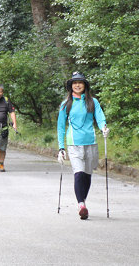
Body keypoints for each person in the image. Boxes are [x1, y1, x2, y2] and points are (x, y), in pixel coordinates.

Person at [57, 72, 109, 220]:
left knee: (87, 175)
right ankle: (81, 205)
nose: (77, 85)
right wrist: (61, 148)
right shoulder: (66, 104)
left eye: (80, 82)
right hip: (74, 143)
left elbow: (100, 117)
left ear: (85, 85)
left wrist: (103, 127)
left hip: (91, 142)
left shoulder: (93, 102)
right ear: (71, 86)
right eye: (74, 83)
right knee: (78, 173)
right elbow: (61, 127)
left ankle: (83, 201)